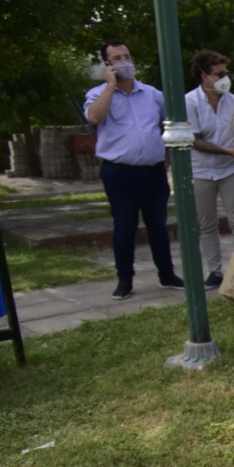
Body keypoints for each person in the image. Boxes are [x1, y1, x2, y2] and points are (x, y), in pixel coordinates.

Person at [85, 40, 184, 300]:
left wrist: (164, 155)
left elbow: (167, 124)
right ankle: (125, 280)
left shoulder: (152, 94)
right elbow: (94, 117)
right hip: (120, 173)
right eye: (117, 58)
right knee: (124, 227)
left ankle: (167, 274)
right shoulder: (98, 94)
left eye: (127, 56)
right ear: (107, 64)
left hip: (153, 172)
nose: (124, 62)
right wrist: (110, 86)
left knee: (158, 226)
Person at [186, 49, 234, 288]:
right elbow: (194, 140)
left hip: (231, 170)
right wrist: (227, 151)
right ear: (204, 76)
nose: (225, 78)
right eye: (219, 74)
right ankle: (215, 272)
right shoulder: (189, 101)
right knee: (207, 224)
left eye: (226, 73)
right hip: (201, 171)